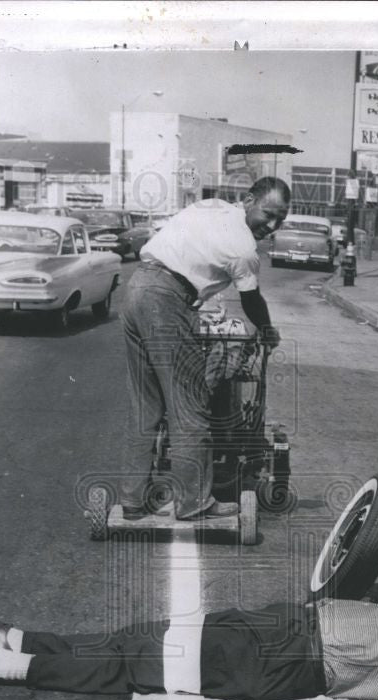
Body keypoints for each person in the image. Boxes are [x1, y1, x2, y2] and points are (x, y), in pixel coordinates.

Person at [0, 592, 378, 700]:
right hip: (284, 625)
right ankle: (16, 638)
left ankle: (2, 667)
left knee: (133, 663)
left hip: (285, 661)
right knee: (137, 638)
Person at [119, 177, 291, 522]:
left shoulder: (208, 207)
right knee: (190, 406)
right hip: (165, 300)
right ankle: (194, 503)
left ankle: (132, 500)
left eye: (280, 220)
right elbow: (251, 301)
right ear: (248, 200)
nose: (271, 226)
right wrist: (268, 331)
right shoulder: (244, 248)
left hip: (137, 288)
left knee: (146, 405)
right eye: (268, 214)